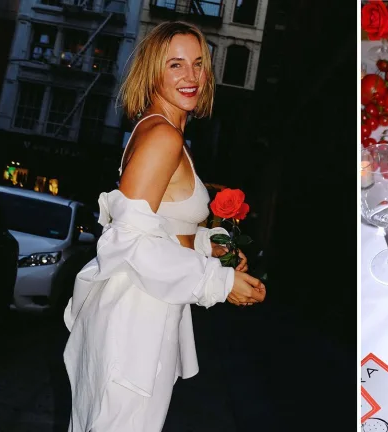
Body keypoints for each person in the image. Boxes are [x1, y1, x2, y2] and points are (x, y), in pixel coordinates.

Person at [62, 21, 266, 432]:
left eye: (198, 64)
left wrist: (209, 245)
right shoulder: (162, 138)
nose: (191, 76)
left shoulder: (163, 131)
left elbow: (157, 223)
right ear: (153, 71)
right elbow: (128, 240)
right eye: (176, 64)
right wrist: (220, 282)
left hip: (145, 307)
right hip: (135, 316)